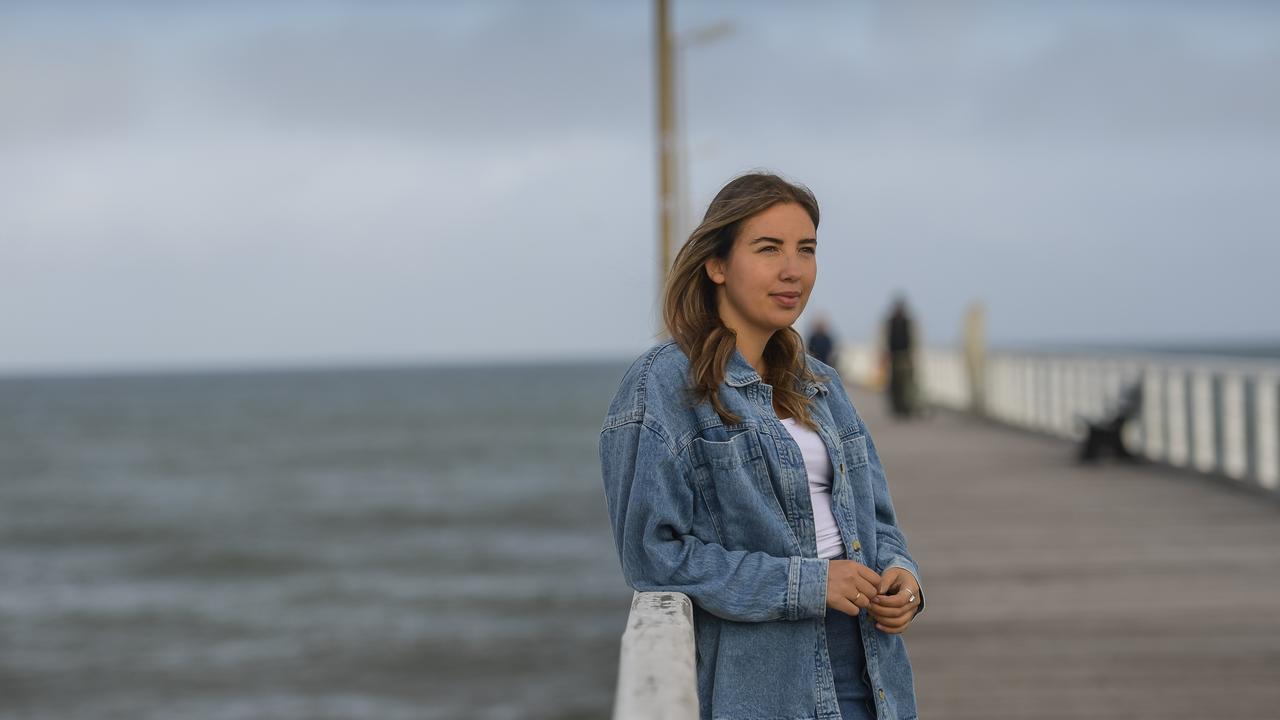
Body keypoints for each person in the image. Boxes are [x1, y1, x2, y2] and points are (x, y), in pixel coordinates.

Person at [600, 172, 923, 720]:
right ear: (718, 264)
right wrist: (810, 583)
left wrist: (903, 576)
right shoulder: (662, 384)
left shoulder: (821, 383)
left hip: (874, 669)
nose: (792, 269)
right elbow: (653, 556)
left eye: (806, 249)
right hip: (768, 683)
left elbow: (877, 518)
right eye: (768, 248)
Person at [884, 297, 916, 418]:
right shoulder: (890, 322)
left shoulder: (907, 322)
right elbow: (886, 339)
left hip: (904, 355)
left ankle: (906, 408)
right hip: (893, 356)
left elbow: (912, 339)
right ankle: (896, 408)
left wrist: (912, 355)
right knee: (894, 383)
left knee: (906, 384)